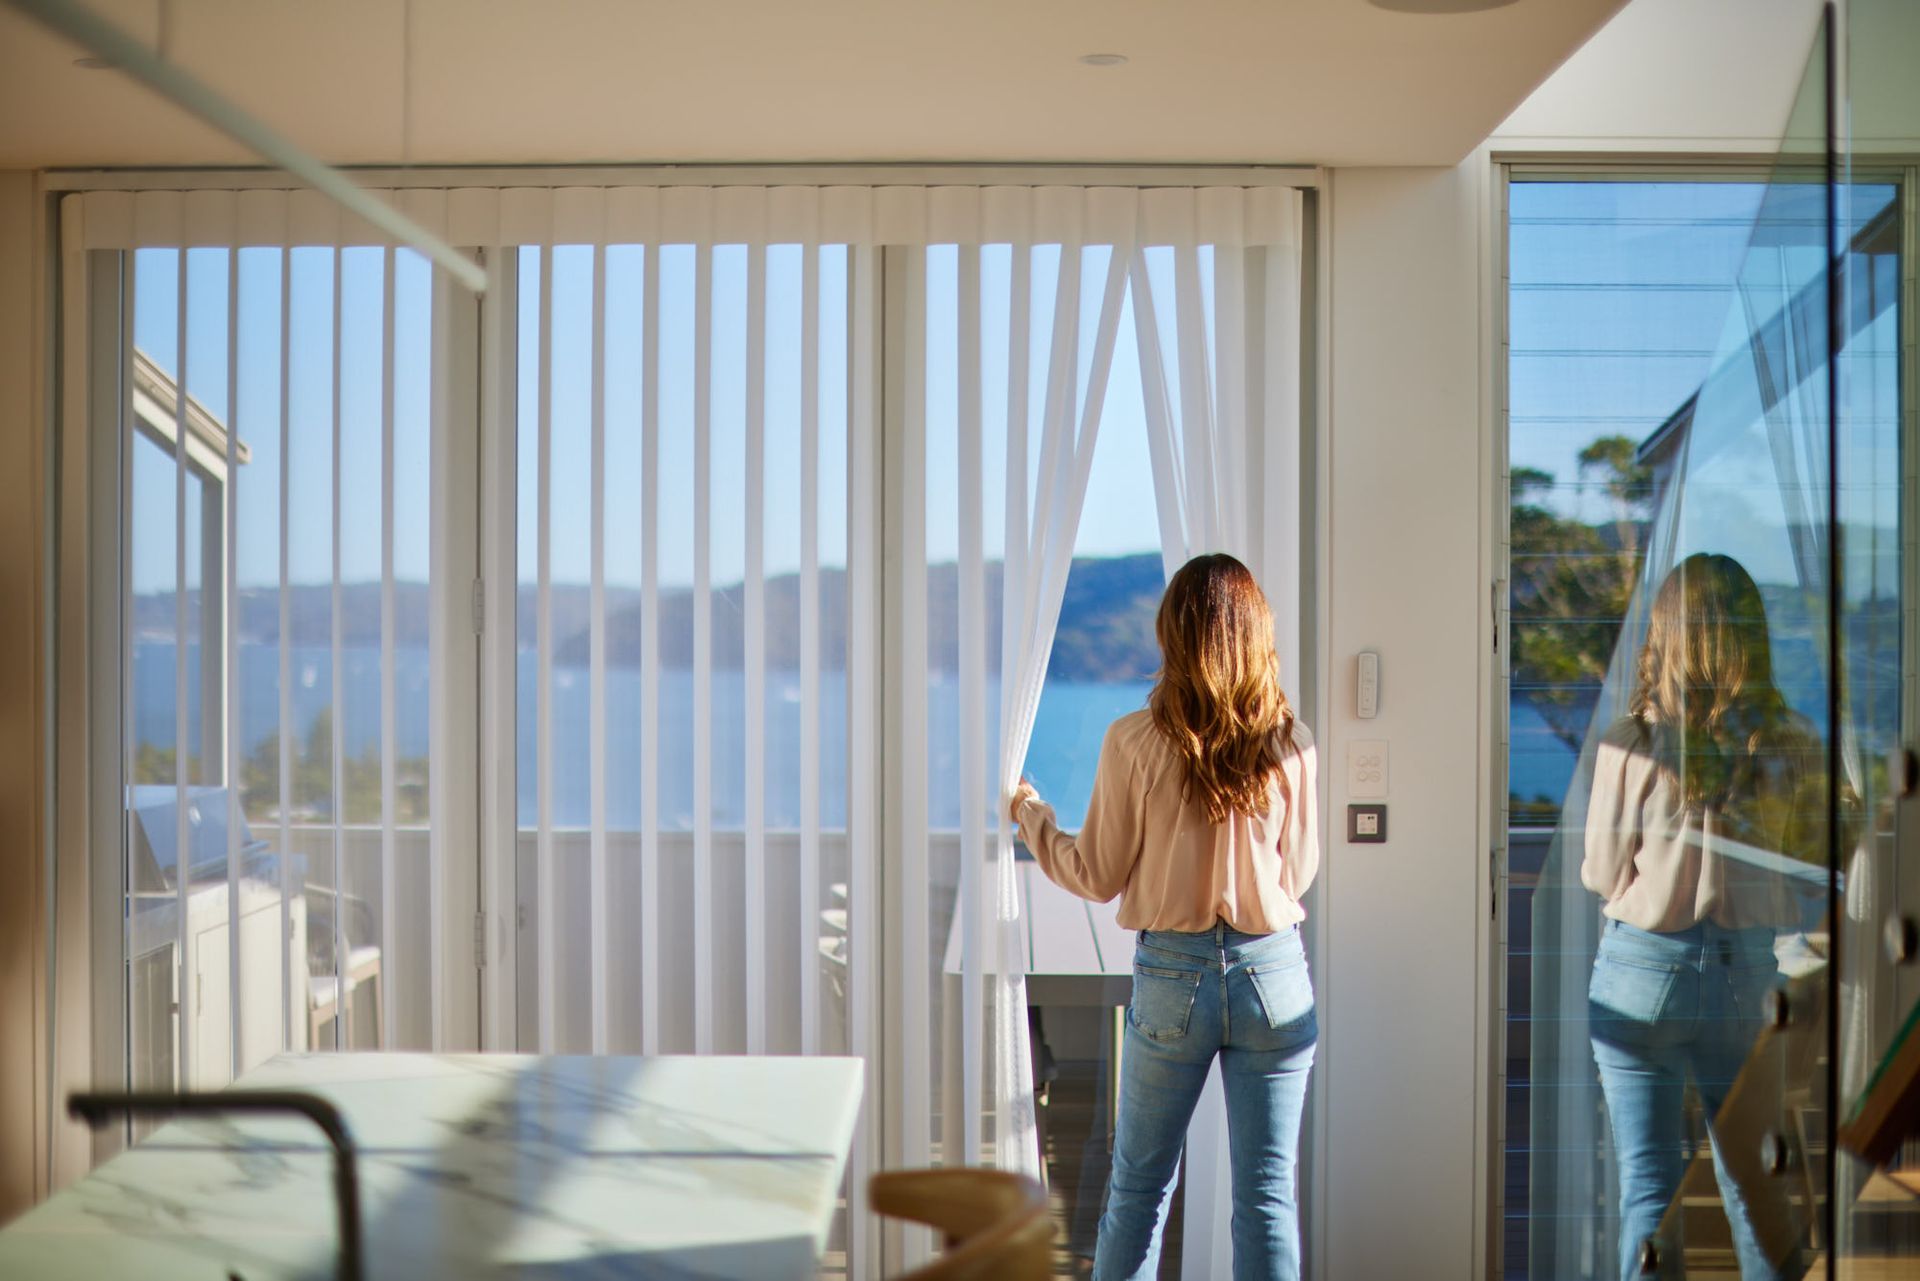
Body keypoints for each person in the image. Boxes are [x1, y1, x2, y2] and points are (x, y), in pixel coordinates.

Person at [1008, 552, 1321, 1281]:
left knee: (1140, 1192)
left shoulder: (1134, 740)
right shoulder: (1293, 744)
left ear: (1172, 635)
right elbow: (1297, 873)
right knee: (1268, 1198)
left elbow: (1095, 872)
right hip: (1274, 974)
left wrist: (1031, 814)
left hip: (1172, 979)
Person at [1582, 552, 1824, 1280]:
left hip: (1641, 971)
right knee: (1756, 1192)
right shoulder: (1792, 742)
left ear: (1666, 633)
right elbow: (1809, 867)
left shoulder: (1634, 743)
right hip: (1744, 976)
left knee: (1648, 1194)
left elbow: (1600, 871)